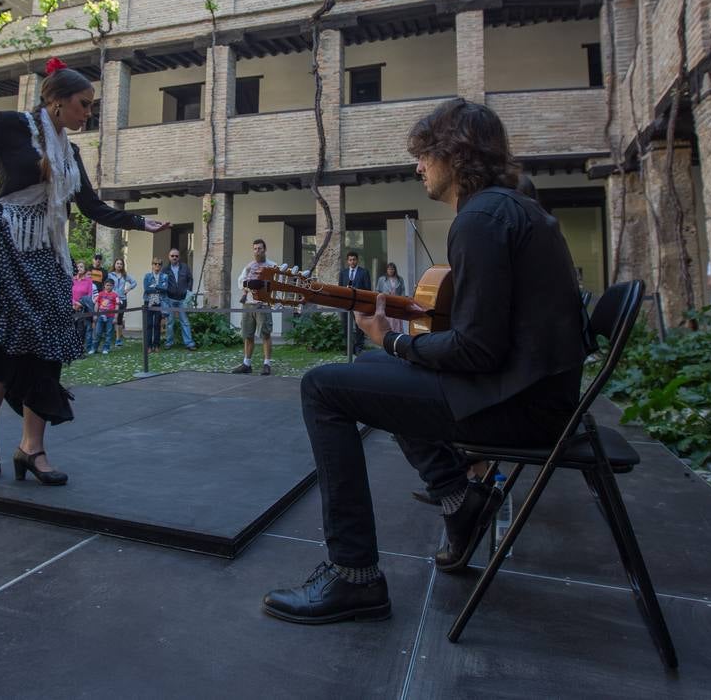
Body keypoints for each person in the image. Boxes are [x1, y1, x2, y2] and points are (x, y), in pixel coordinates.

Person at [263, 98, 586, 625]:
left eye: (424, 154)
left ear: (455, 154)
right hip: (537, 395)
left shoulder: (479, 218)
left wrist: (393, 341)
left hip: (520, 409)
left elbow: (477, 350)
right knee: (369, 371)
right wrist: (396, 346)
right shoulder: (513, 208)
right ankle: (458, 499)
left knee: (322, 387)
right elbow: (490, 334)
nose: (418, 167)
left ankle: (354, 576)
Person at [0, 58, 168, 484]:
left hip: (47, 255)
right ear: (57, 101)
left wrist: (138, 222)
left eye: (91, 106)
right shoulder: (11, 125)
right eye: (83, 104)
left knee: (46, 352)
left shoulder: (70, 153)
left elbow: (91, 206)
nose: (88, 113)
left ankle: (32, 448)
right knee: (0, 349)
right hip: (5, 244)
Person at [233, 238, 277, 375]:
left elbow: (277, 284)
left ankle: (267, 364)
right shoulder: (249, 266)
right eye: (255, 249)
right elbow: (240, 281)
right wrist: (248, 284)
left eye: (260, 249)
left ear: (265, 250)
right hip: (248, 303)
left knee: (265, 334)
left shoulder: (272, 266)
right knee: (247, 334)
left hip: (263, 304)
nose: (257, 251)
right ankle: (247, 364)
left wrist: (263, 285)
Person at [162, 247, 196, 350]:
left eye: (176, 256)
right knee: (170, 322)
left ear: (179, 257)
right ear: (169, 257)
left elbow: (190, 279)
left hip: (183, 299)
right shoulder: (165, 270)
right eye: (172, 256)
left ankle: (189, 343)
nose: (174, 257)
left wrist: (188, 291)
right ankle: (169, 342)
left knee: (185, 322)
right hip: (170, 298)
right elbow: (162, 283)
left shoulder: (185, 267)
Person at [338, 251, 372, 351]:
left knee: (359, 325)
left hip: (359, 303)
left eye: (354, 259)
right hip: (346, 303)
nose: (352, 262)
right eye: (350, 260)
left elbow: (368, 289)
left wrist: (356, 290)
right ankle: (348, 347)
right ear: (347, 261)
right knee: (345, 325)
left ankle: (358, 347)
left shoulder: (364, 272)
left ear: (357, 260)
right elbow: (340, 288)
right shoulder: (343, 273)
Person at [108, 257, 137, 347]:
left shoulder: (125, 275)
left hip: (122, 299)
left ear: (123, 266)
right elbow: (106, 285)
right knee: (111, 319)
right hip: (112, 299)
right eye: (117, 263)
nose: (119, 265)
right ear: (114, 264)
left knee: (119, 320)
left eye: (121, 264)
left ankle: (118, 339)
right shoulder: (110, 275)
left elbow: (134, 282)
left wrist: (128, 289)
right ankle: (110, 338)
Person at [142, 257, 168, 352]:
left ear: (161, 266)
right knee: (149, 324)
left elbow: (165, 289)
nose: (157, 265)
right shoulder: (147, 276)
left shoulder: (165, 276)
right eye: (155, 264)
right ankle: (148, 346)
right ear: (152, 265)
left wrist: (155, 286)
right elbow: (147, 289)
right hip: (149, 301)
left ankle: (156, 345)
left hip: (159, 301)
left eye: (159, 264)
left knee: (157, 324)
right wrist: (159, 288)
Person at [375, 262, 407, 334]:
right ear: (387, 270)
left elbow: (403, 290)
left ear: (395, 270)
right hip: (386, 303)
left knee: (397, 320)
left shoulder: (400, 279)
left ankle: (397, 335)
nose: (390, 271)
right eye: (389, 269)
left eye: (392, 269)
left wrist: (402, 300)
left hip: (397, 303)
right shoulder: (382, 279)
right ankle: (388, 334)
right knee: (388, 319)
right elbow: (378, 291)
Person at [71, 261, 95, 353]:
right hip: (72, 307)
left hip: (83, 308)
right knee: (72, 328)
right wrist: (74, 303)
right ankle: (72, 348)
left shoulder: (89, 281)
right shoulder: (72, 279)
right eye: (78, 267)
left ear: (85, 269)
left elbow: (89, 295)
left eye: (81, 267)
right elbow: (69, 293)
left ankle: (80, 349)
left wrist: (80, 304)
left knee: (81, 329)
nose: (79, 268)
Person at [91, 280, 119, 354]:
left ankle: (106, 348)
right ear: (104, 286)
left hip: (110, 317)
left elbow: (117, 306)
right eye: (107, 285)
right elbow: (97, 304)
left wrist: (115, 317)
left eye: (110, 285)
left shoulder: (115, 295)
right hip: (100, 316)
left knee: (108, 333)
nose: (108, 287)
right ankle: (94, 348)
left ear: (113, 286)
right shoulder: (100, 294)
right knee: (98, 332)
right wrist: (95, 315)